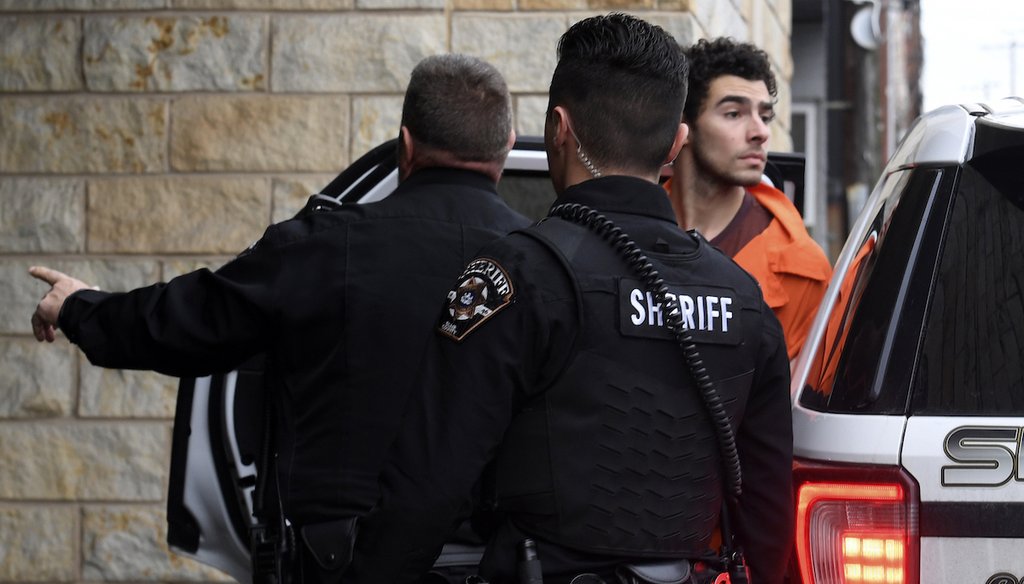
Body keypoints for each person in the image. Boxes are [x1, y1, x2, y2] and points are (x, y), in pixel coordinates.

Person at [28, 54, 530, 583]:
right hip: (496, 564)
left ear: (405, 145)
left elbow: (183, 323)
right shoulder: (542, 263)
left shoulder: (321, 246)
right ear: (508, 145)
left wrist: (80, 306)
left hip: (338, 564)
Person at [345, 14, 793, 584]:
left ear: (559, 127)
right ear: (678, 142)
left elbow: (428, 481)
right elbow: (768, 506)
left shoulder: (515, 276)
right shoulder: (745, 300)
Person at [665, 37, 831, 361]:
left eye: (765, 116)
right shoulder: (626, 229)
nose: (760, 132)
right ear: (683, 126)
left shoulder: (803, 270)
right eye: (734, 113)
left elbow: (796, 407)